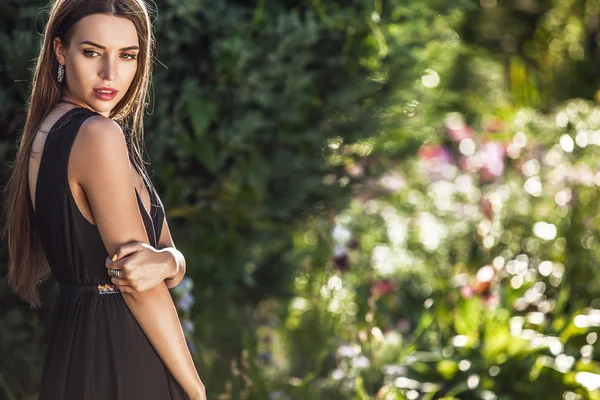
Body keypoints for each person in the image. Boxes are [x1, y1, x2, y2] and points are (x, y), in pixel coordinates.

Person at [0, 0, 206, 399]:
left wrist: (168, 261)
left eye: (127, 56)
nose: (110, 74)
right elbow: (138, 286)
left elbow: (159, 258)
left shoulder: (50, 130)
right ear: (60, 50)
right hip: (122, 347)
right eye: (92, 52)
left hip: (77, 343)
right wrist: (195, 389)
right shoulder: (97, 135)